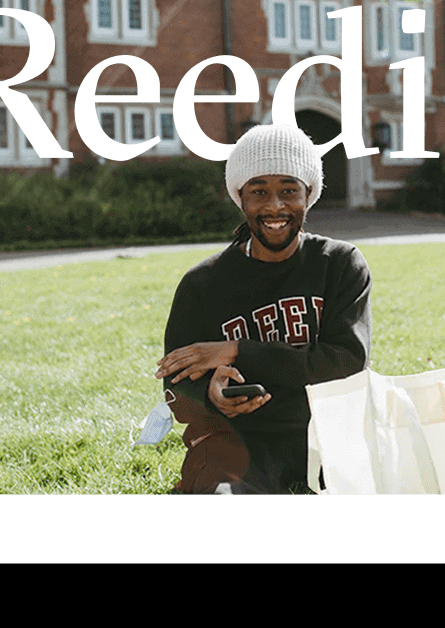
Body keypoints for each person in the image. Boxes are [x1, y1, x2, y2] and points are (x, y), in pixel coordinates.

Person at [156, 123, 372, 493]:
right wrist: (211, 395)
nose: (275, 206)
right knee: (213, 488)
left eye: (289, 190)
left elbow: (346, 361)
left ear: (308, 194)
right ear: (240, 197)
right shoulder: (202, 284)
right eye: (259, 192)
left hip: (329, 436)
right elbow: (177, 387)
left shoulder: (339, 264)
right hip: (243, 442)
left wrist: (237, 351)